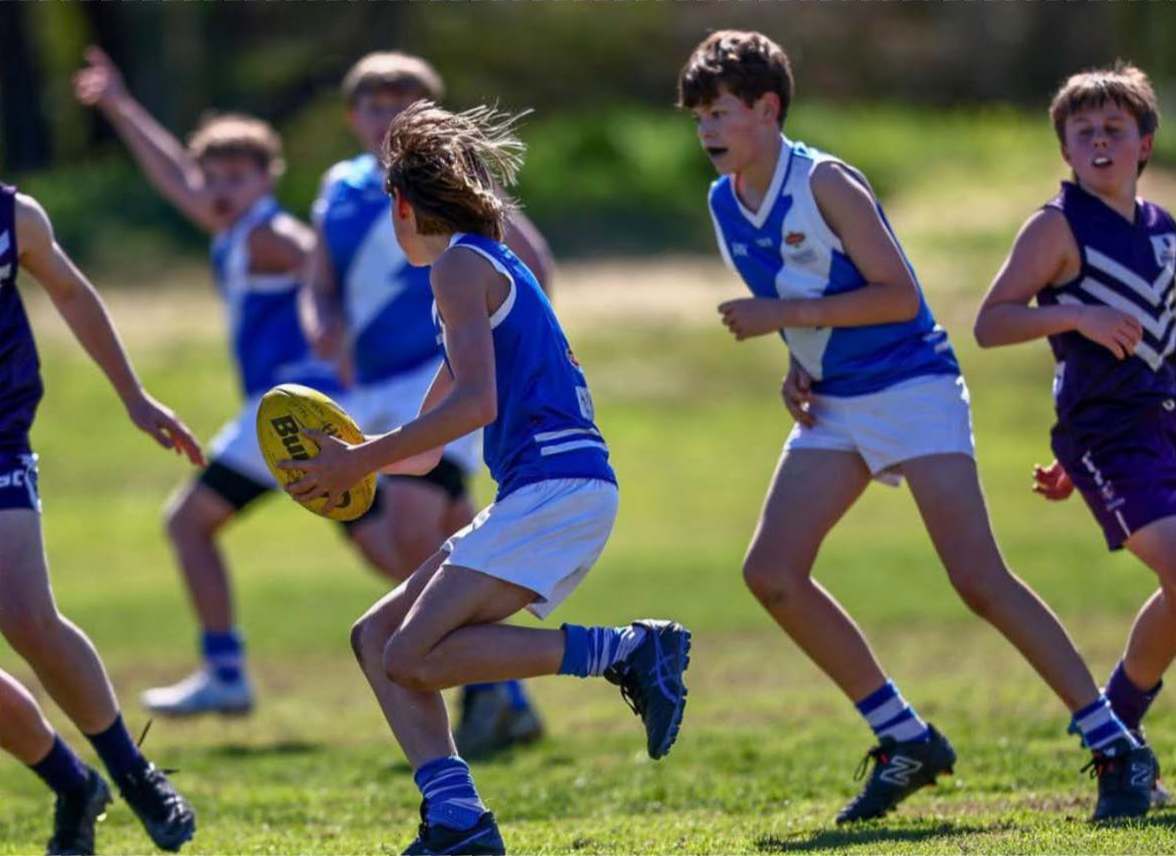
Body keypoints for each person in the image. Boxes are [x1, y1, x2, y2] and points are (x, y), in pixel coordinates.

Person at [680, 30, 1156, 823]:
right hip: (834, 404)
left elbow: (899, 296)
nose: (705, 130)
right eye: (697, 115)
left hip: (912, 388)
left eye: (719, 112)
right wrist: (797, 362)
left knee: (978, 581)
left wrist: (782, 319)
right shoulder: (724, 202)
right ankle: (903, 738)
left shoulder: (826, 181)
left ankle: (1115, 743)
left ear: (768, 109)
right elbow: (807, 297)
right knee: (772, 574)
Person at [281, 102, 691, 854]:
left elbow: (477, 404)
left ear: (403, 206)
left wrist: (356, 460)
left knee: (412, 655)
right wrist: (345, 465)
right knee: (376, 638)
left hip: (556, 489)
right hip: (549, 490)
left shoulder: (457, 267)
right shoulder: (484, 266)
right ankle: (457, 819)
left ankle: (627, 650)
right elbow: (428, 448)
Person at [73, 46, 363, 717]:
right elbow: (173, 175)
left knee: (189, 522)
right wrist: (118, 104)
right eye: (215, 174)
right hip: (291, 414)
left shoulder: (273, 237)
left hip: (300, 412)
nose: (222, 186)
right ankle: (490, 673)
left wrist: (344, 341)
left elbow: (330, 273)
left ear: (268, 177)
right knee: (386, 544)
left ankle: (227, 672)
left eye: (240, 174)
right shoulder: (230, 229)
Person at [304, 51, 553, 757]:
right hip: (368, 389)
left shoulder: (451, 188)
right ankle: (499, 688)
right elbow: (318, 277)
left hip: (437, 385)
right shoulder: (341, 189)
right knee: (399, 543)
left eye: (404, 103)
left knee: (415, 531)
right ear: (353, 116)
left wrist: (519, 346)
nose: (388, 117)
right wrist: (322, 317)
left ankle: (488, 692)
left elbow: (531, 263)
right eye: (375, 105)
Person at [976, 61, 1176, 811]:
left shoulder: (1164, 232)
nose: (1098, 141)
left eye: (1113, 130)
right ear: (1064, 148)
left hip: (1163, 426)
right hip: (1107, 436)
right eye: (1082, 131)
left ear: (1144, 144)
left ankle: (1119, 731)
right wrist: (1076, 316)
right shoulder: (1056, 227)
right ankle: (1120, 738)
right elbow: (992, 322)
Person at [0, 181, 200, 853]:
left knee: (24, 614)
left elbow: (72, 292)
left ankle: (131, 770)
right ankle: (72, 783)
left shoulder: (13, 216)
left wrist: (134, 396)